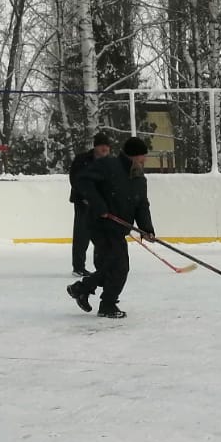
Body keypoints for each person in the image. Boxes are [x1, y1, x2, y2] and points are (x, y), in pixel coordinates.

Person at [67, 136, 154, 319]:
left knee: (113, 266)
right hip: (100, 225)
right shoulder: (109, 165)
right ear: (133, 155)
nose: (144, 160)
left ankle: (82, 289)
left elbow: (142, 206)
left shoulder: (139, 179)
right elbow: (82, 180)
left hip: (118, 229)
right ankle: (106, 303)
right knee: (118, 265)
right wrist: (99, 205)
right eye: (142, 156)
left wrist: (147, 229)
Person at [68, 131, 112, 276]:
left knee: (101, 236)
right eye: (101, 145)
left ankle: (101, 266)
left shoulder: (111, 162)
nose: (105, 148)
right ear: (95, 147)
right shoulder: (82, 160)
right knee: (82, 235)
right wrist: (85, 196)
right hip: (83, 203)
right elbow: (75, 179)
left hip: (101, 205)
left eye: (107, 146)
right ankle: (78, 267)